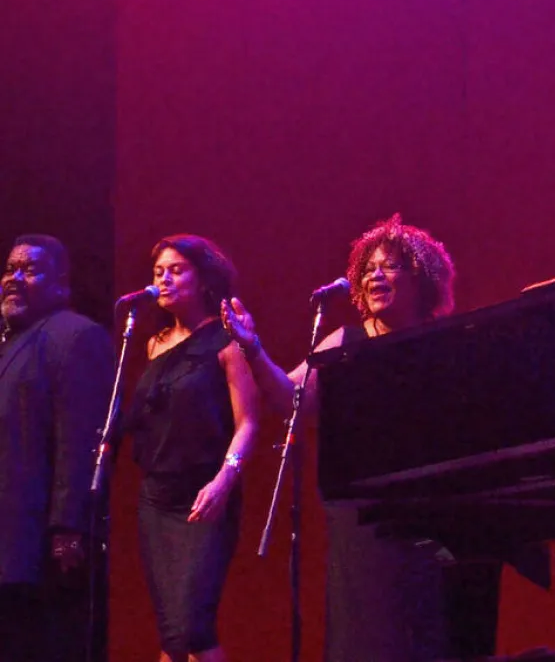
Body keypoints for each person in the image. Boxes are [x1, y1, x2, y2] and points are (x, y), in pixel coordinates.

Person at [222, 214, 456, 662]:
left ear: (420, 277)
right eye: (368, 268)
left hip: (430, 510)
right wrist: (252, 349)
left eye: (390, 266)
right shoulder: (344, 340)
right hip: (361, 515)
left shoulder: (442, 341)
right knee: (367, 635)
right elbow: (291, 399)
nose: (375, 275)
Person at [126, 235, 259, 662]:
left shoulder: (225, 342)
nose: (163, 279)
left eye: (176, 270)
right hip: (156, 501)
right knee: (175, 633)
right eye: (158, 272)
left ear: (203, 280)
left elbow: (249, 422)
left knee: (192, 625)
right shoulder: (154, 344)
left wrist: (225, 479)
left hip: (204, 496)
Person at [0, 234, 113, 662]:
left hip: (40, 541)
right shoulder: (10, 341)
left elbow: (81, 437)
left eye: (30, 269)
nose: (15, 278)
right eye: (10, 268)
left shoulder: (76, 336)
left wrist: (69, 527)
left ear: (60, 282)